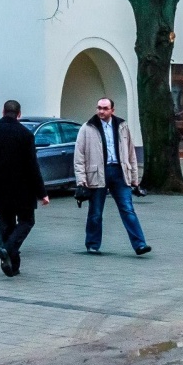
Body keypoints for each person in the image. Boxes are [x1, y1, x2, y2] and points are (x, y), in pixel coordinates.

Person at [0, 100, 49, 277]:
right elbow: (33, 166)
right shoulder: (25, 135)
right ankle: (9, 250)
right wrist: (42, 193)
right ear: (19, 114)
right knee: (27, 221)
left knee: (7, 225)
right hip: (22, 189)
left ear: (3, 112)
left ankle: (12, 266)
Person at [74, 97, 152, 256]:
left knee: (128, 209)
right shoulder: (88, 127)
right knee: (95, 212)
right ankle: (92, 244)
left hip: (119, 172)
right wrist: (81, 181)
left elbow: (131, 153)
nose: (101, 111)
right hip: (97, 173)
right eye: (99, 108)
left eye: (105, 108)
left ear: (112, 110)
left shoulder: (122, 126)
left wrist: (134, 179)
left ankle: (140, 245)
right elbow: (79, 156)